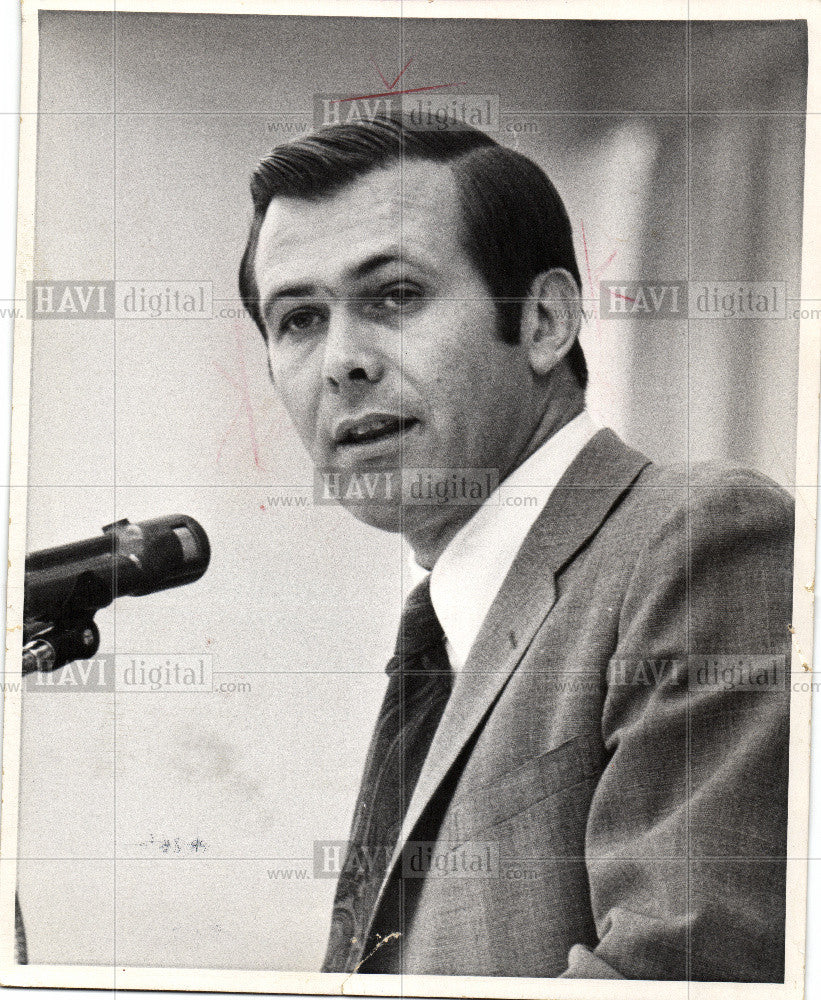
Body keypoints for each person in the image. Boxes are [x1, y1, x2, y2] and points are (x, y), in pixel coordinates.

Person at [238, 113, 793, 982]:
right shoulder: (446, 624)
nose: (343, 361)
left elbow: (685, 968)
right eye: (299, 318)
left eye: (394, 297)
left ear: (543, 321)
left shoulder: (697, 539)